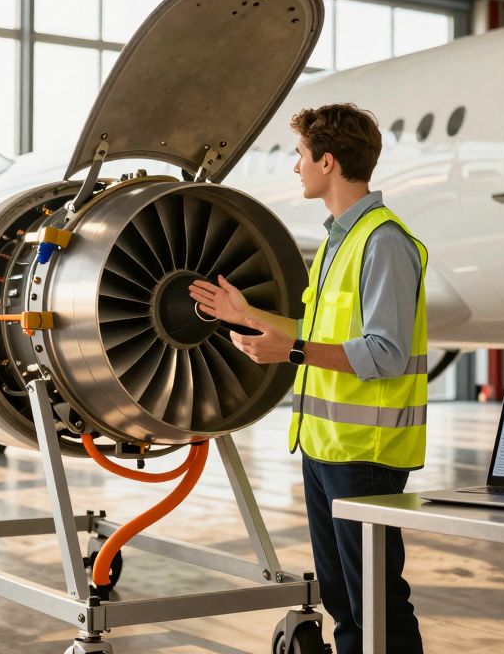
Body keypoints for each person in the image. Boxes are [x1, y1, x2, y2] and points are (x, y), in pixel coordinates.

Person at [189, 103, 427, 653]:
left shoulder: (382, 241)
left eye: (299, 156)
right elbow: (316, 329)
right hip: (326, 449)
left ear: (327, 161)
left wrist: (291, 351)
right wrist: (244, 314)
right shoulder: (339, 240)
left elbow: (384, 353)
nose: (295, 168)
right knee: (344, 600)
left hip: (366, 454)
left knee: (377, 604)